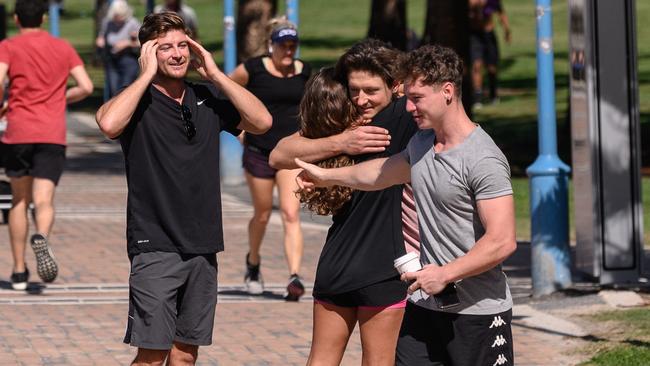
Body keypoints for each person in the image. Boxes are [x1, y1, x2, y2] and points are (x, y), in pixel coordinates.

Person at [294, 44, 517, 366]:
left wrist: (446, 273)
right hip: (425, 308)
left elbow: (501, 241)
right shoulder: (423, 142)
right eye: (408, 97)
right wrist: (328, 177)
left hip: (477, 313)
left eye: (417, 98)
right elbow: (380, 172)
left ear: (448, 92)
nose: (409, 107)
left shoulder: (482, 158)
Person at [95, 12, 271, 365]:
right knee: (152, 355)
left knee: (185, 355)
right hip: (155, 244)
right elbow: (109, 124)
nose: (177, 54)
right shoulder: (137, 101)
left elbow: (261, 122)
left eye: (183, 46)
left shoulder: (205, 95)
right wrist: (144, 75)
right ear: (148, 53)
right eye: (165, 48)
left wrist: (217, 74)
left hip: (203, 245)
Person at [270, 38, 419, 365]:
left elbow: (280, 154)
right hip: (383, 267)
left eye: (370, 90)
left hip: (338, 263)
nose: (361, 99)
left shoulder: (380, 120)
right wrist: (343, 141)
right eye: (354, 90)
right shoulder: (362, 125)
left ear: (394, 86)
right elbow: (278, 154)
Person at [0, 0, 93, 290]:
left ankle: (17, 272)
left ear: (16, 19)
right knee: (44, 200)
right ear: (42, 18)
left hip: (18, 131)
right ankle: (41, 234)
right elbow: (87, 87)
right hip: (52, 132)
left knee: (18, 200)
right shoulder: (63, 47)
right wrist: (60, 98)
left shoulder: (9, 47)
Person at [229, 17, 310, 300]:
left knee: (290, 213)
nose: (288, 51)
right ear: (270, 46)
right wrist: (238, 130)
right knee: (262, 214)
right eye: (283, 45)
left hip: (290, 154)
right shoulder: (252, 70)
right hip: (259, 152)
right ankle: (253, 263)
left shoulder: (304, 73)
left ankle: (295, 276)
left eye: (293, 45)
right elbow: (227, 92)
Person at [469, 0, 511, 107]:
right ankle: (477, 98)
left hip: (488, 35)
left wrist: (507, 30)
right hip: (475, 36)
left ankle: (493, 94)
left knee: (492, 67)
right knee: (477, 65)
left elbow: (501, 13)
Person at [96, 0, 141, 100]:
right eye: (116, 17)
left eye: (121, 17)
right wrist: (100, 41)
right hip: (112, 59)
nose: (118, 19)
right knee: (114, 90)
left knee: (125, 90)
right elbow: (102, 36)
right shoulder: (107, 23)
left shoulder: (132, 23)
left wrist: (128, 43)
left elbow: (143, 42)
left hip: (128, 59)